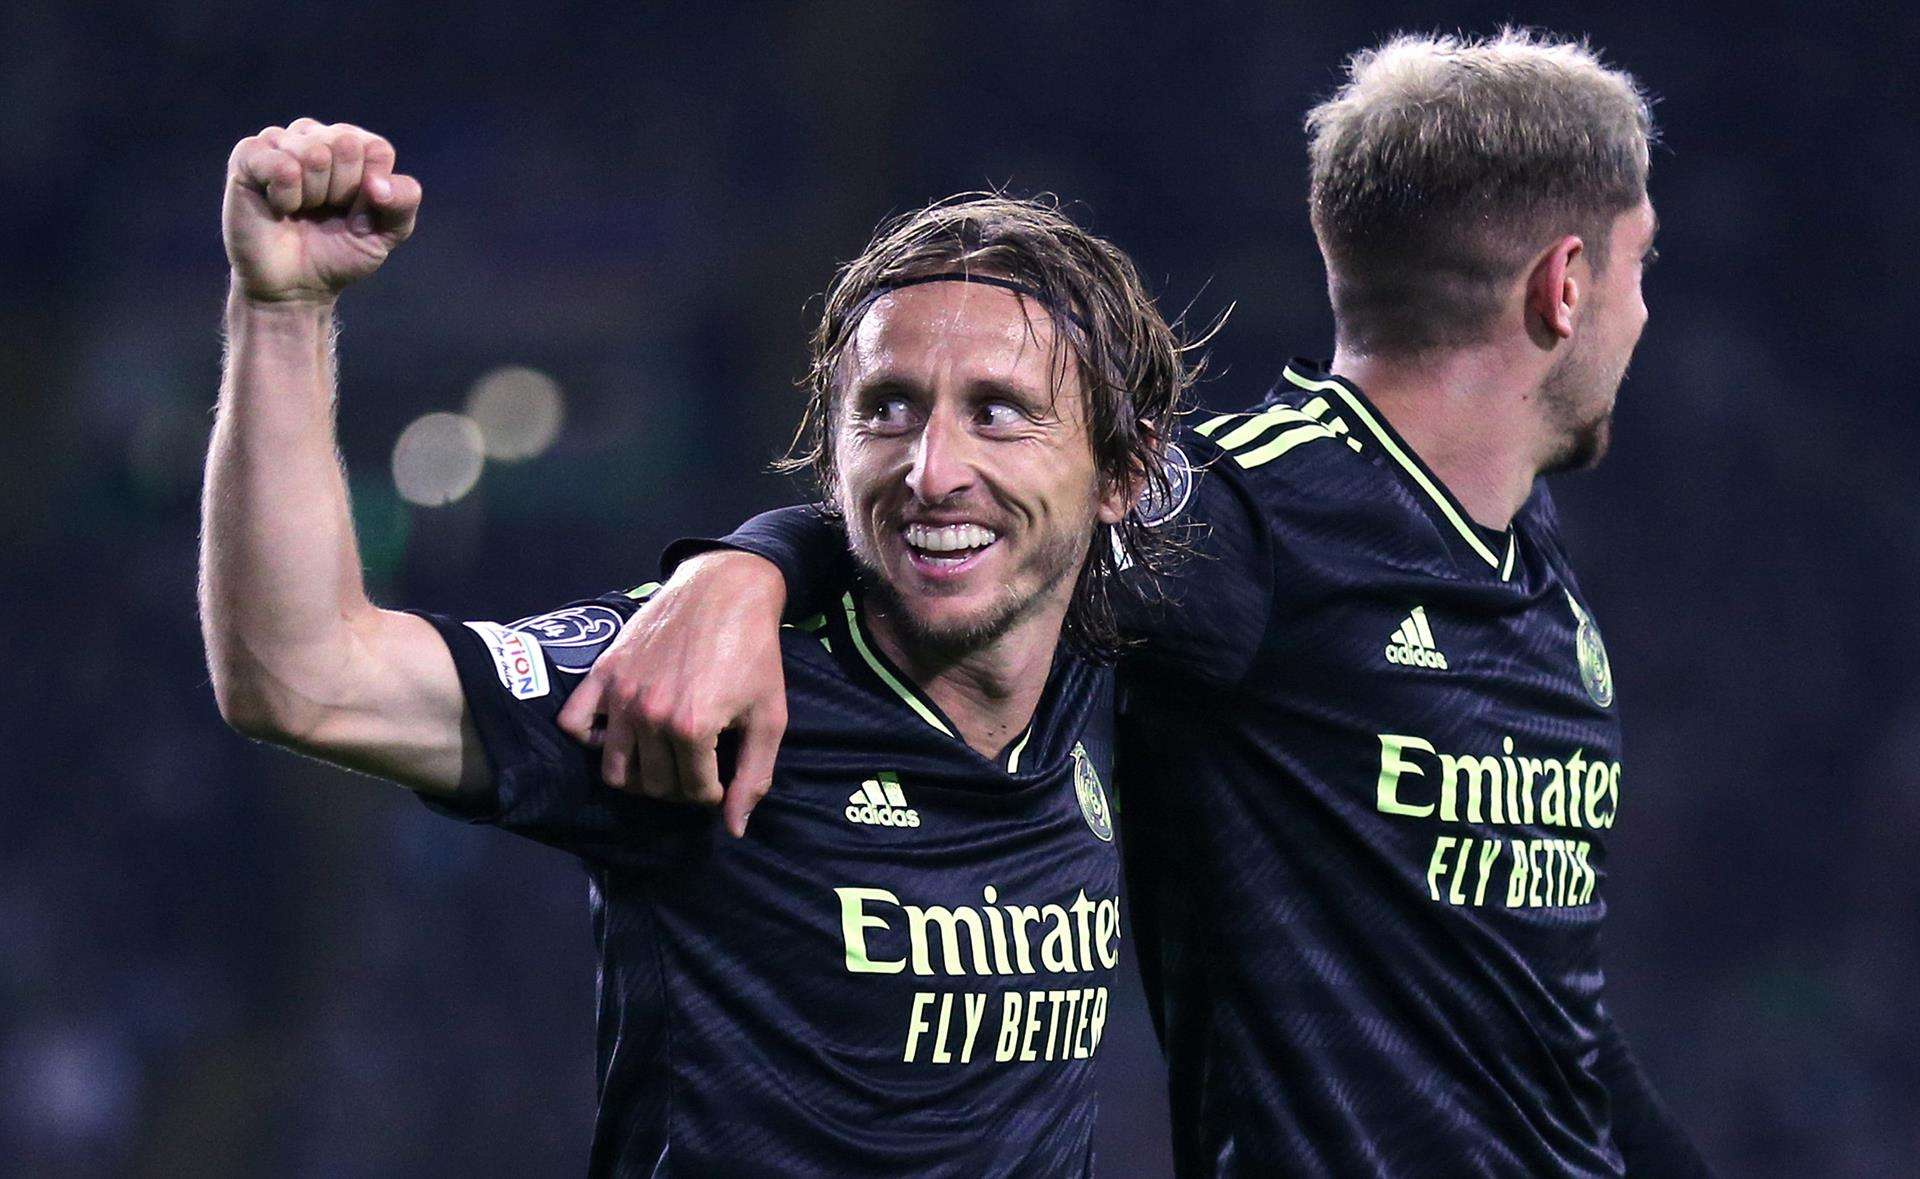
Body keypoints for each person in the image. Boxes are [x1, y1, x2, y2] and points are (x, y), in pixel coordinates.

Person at [569, 30, 1713, 1177]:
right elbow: (979, 522)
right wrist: (743, 567)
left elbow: (1546, 1014)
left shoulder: (1519, 536)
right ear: (1565, 286)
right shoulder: (1262, 516)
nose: (1644, 310)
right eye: (1642, 263)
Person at [199, 117, 1192, 1175]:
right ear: (832, 451)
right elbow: (303, 675)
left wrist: (756, 556)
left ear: (1121, 474)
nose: (931, 469)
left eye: (998, 414)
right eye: (888, 410)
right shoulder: (697, 679)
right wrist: (281, 312)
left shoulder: (1112, 657)